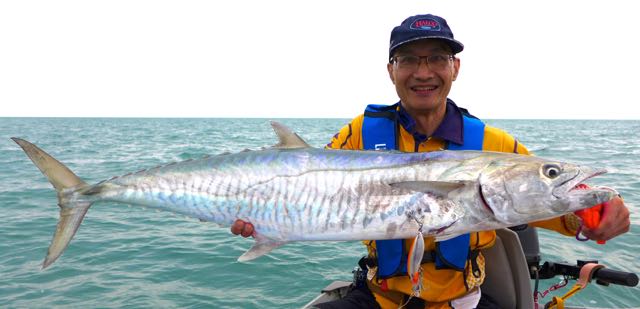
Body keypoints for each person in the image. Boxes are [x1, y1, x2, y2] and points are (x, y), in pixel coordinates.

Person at [231, 14, 630, 308]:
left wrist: (596, 216)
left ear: (455, 67)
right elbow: (312, 185)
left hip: (463, 300)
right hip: (380, 296)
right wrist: (268, 218)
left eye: (437, 58)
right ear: (391, 70)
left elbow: (547, 205)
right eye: (409, 60)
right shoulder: (360, 134)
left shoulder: (495, 144)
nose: (424, 72)